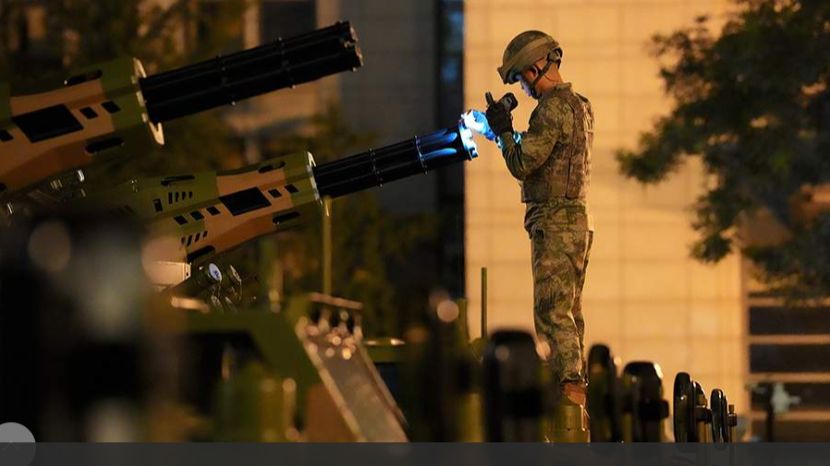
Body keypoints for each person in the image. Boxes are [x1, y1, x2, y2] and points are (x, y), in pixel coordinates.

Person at [470, 30, 594, 420]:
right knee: (569, 311)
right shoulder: (580, 105)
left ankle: (568, 394)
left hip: (553, 223)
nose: (522, 87)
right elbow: (544, 151)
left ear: (537, 66)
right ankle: (575, 389)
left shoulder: (551, 109)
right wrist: (500, 134)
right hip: (576, 221)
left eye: (521, 77)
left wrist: (505, 132)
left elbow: (523, 163)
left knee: (551, 312)